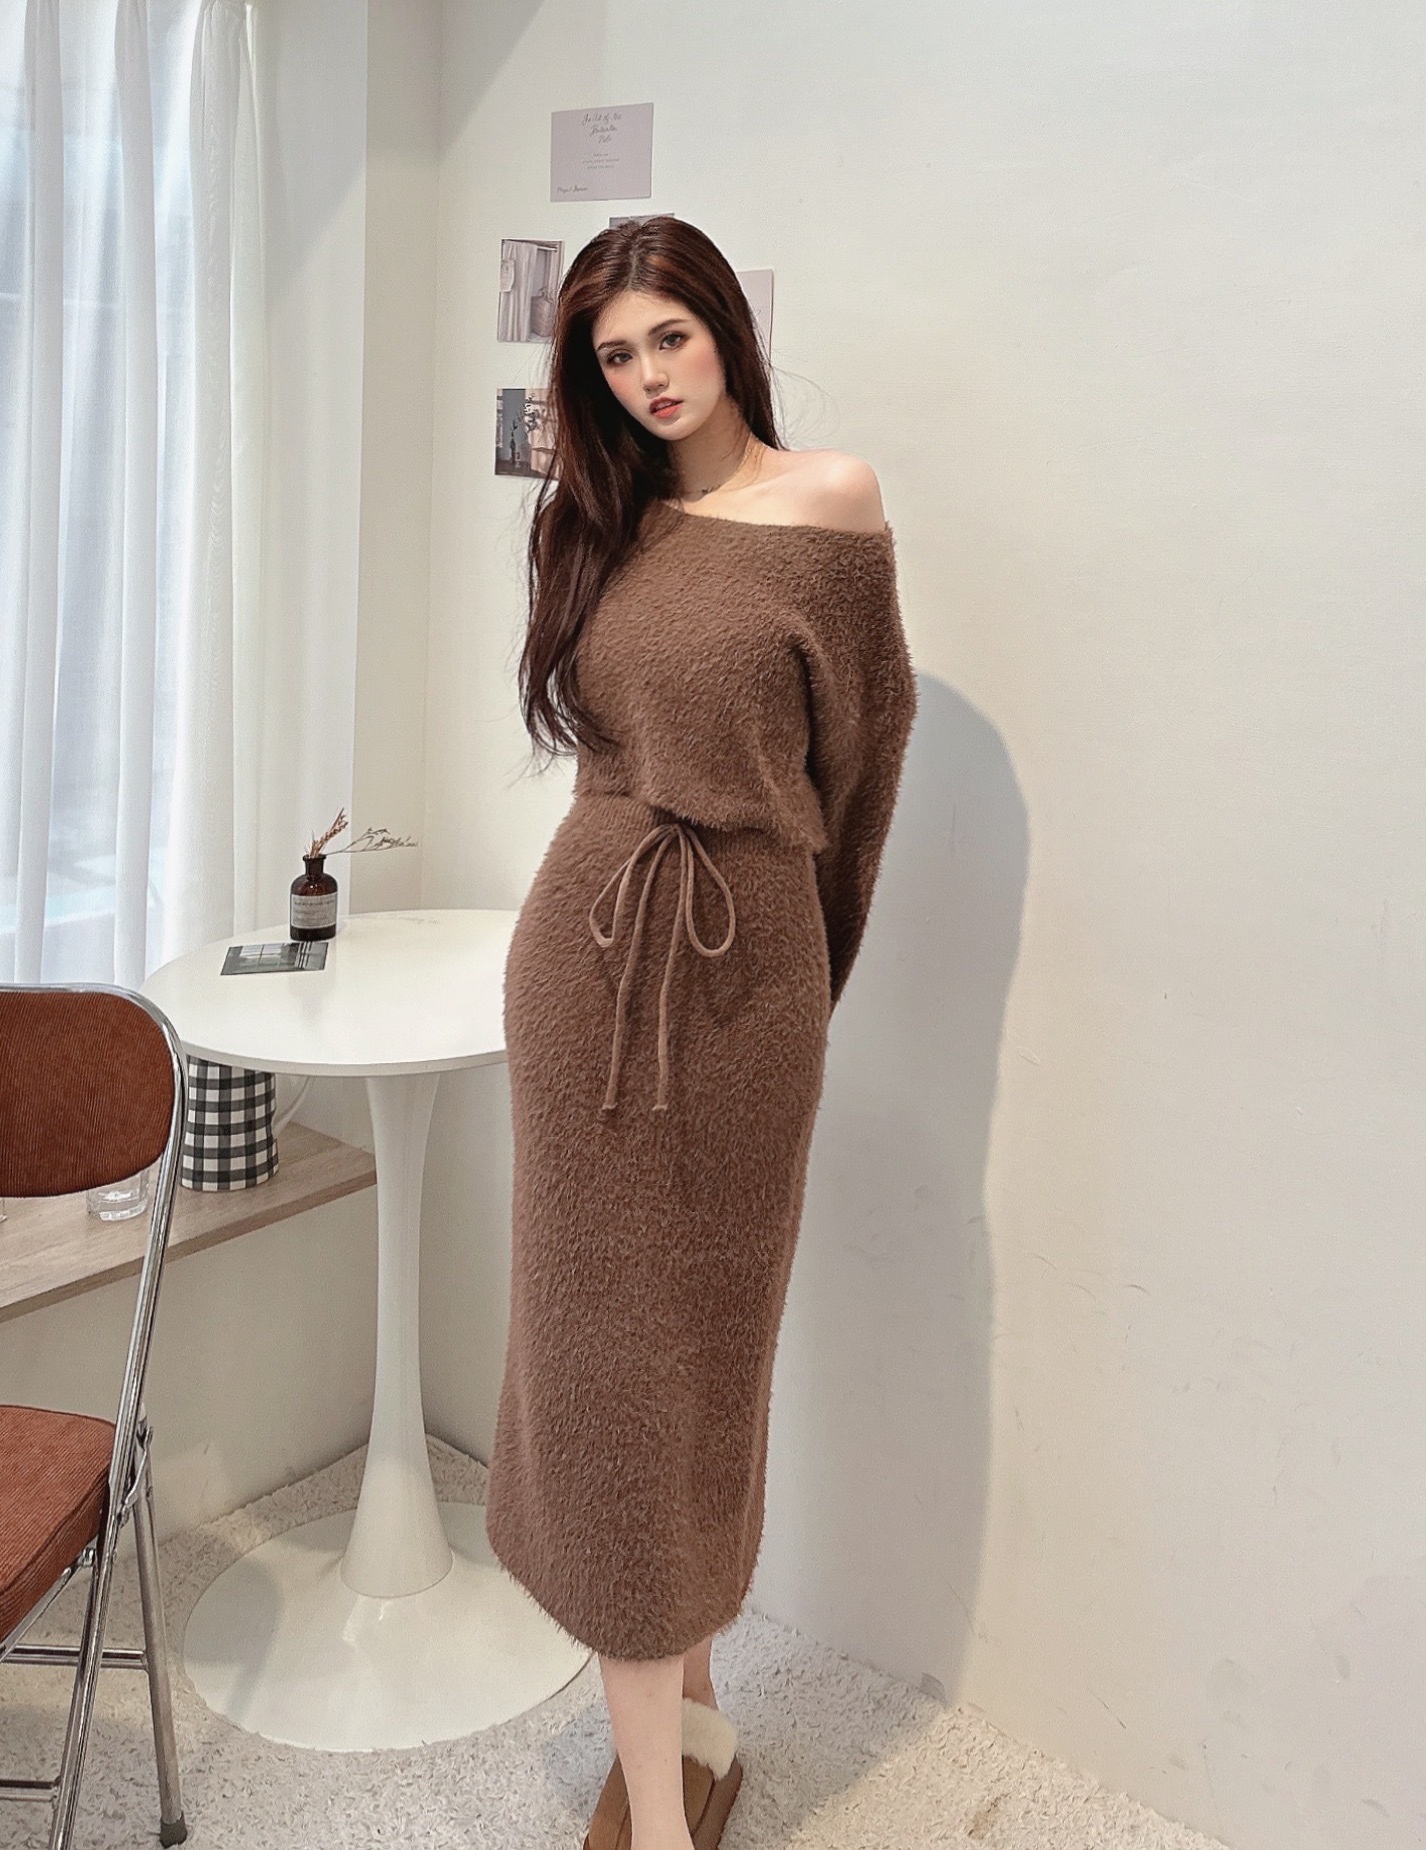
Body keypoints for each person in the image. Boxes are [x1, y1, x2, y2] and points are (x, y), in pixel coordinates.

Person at [484, 214, 917, 1850]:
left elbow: (861, 776)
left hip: (748, 982)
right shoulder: (597, 518)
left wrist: (798, 990)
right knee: (604, 1378)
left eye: (669, 335)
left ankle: (693, 1716)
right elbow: (593, 746)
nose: (648, 376)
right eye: (614, 355)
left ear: (725, 326)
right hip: (583, 963)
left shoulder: (831, 505)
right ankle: (661, 1812)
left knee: (705, 1364)